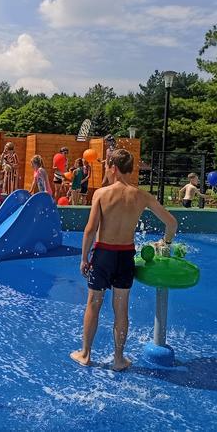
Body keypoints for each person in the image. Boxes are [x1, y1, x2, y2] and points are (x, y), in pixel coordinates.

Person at [70, 148, 177, 371]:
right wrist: (164, 243)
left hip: (103, 255)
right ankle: (119, 359)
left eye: (108, 166)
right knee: (121, 309)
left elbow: (91, 229)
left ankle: (85, 353)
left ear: (114, 168)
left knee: (93, 304)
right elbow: (172, 223)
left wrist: (83, 258)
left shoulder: (101, 194)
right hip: (125, 256)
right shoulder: (142, 196)